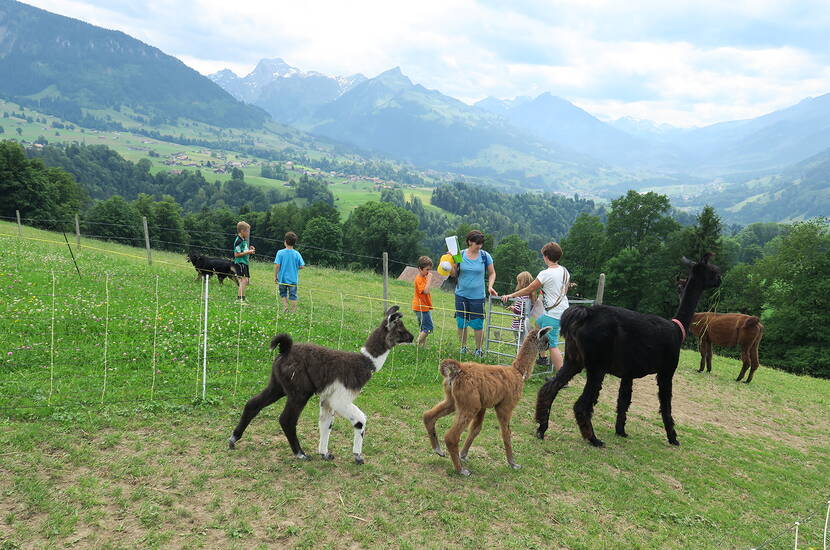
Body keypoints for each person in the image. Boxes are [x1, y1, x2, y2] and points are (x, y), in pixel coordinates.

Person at [501, 242, 569, 375]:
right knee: (538, 324)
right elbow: (564, 290)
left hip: (553, 313)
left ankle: (562, 377)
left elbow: (529, 289)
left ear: (546, 256)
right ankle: (542, 357)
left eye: (543, 255)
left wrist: (511, 295)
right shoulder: (564, 271)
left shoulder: (546, 273)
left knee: (553, 345)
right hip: (563, 310)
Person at [451, 230, 497, 357]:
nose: (480, 246)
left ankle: (478, 349)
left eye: (481, 243)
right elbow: (454, 274)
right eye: (477, 243)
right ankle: (463, 348)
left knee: (477, 323)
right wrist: (449, 265)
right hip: (461, 294)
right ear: (470, 242)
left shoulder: (485, 256)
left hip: (478, 296)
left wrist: (490, 286)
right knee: (461, 322)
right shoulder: (459, 255)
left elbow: (492, 273)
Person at [274, 231, 305, 313]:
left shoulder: (280, 253)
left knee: (283, 293)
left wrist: (275, 276)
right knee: (293, 296)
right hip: (293, 280)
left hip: (282, 279)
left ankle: (285, 307)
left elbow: (277, 265)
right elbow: (302, 266)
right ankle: (293, 311)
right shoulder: (297, 254)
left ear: (285, 241)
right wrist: (294, 267)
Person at [412, 256, 434, 346]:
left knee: (423, 327)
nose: (428, 272)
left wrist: (427, 278)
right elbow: (425, 291)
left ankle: (422, 346)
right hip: (421, 307)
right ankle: (417, 344)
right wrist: (429, 279)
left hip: (423, 306)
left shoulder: (423, 277)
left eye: (430, 270)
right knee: (429, 328)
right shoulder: (419, 279)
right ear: (420, 269)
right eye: (427, 270)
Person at [233, 221, 255, 303]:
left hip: (244, 262)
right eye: (248, 231)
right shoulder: (238, 241)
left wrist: (250, 249)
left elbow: (243, 250)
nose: (249, 233)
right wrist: (248, 252)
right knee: (243, 280)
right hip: (240, 262)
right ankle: (239, 299)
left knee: (245, 281)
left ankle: (242, 297)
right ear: (242, 231)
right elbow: (236, 254)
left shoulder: (243, 240)